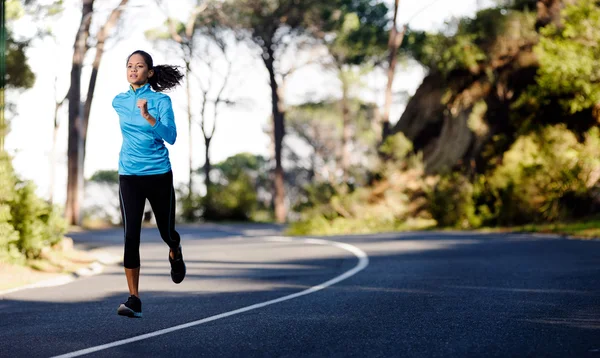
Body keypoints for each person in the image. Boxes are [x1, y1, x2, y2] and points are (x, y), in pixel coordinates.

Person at [113, 50, 186, 318]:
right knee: (131, 236)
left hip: (158, 174)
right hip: (129, 175)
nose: (133, 70)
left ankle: (175, 251)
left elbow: (172, 137)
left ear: (150, 72)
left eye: (139, 66)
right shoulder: (118, 101)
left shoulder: (161, 101)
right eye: (129, 65)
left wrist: (149, 117)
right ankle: (134, 299)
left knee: (166, 231)